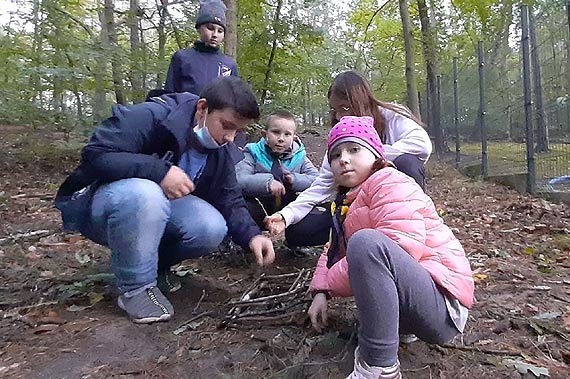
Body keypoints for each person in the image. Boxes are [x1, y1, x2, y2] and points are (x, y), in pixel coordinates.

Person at [55, 77, 275, 324]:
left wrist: (252, 235)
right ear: (203, 108)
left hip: (153, 210)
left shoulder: (219, 149)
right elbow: (96, 155)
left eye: (238, 131)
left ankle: (151, 267)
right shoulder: (155, 115)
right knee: (144, 193)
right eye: (226, 125)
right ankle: (134, 288)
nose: (230, 138)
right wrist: (159, 171)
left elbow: (229, 197)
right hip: (101, 203)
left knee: (210, 226)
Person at [307, 116, 474, 379]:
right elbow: (332, 250)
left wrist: (335, 280)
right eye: (336, 154)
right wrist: (321, 291)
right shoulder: (348, 202)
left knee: (366, 244)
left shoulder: (390, 182)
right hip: (415, 306)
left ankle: (378, 366)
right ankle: (395, 333)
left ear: (376, 154)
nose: (344, 159)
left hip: (443, 307)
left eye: (354, 149)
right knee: (363, 245)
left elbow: (401, 245)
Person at [265, 70, 432, 249]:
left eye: (344, 107)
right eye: (335, 110)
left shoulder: (391, 115)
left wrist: (368, 153)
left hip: (393, 206)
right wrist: (286, 215)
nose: (339, 116)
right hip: (354, 208)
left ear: (361, 100)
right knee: (297, 231)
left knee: (408, 163)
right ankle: (352, 239)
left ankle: (411, 231)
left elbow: (421, 145)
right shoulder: (340, 136)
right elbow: (321, 186)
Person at [235, 110, 319, 231]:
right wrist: (267, 183)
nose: (281, 139)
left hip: (288, 209)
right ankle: (249, 235)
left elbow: (317, 180)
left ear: (294, 138)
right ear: (265, 134)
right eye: (275, 132)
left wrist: (294, 179)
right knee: (241, 205)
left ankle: (294, 236)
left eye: (287, 134)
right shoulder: (252, 152)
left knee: (312, 208)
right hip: (259, 206)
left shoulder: (299, 157)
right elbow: (239, 179)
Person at [164, 0, 238, 96]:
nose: (215, 34)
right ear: (199, 29)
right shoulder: (182, 57)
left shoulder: (229, 64)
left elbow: (234, 100)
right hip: (186, 110)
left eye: (220, 31)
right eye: (210, 28)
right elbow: (169, 94)